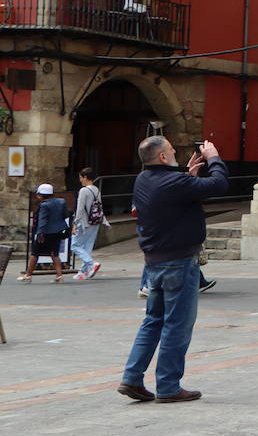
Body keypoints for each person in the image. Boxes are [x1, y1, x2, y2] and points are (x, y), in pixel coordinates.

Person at [118, 136, 227, 404]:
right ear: (164, 157)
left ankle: (132, 377)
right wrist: (213, 157)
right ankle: (168, 385)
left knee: (153, 321)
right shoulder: (175, 183)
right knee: (177, 324)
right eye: (171, 150)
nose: (175, 151)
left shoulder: (144, 179)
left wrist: (187, 175)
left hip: (154, 262)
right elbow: (220, 184)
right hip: (179, 262)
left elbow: (171, 193)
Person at [17, 183, 69, 283]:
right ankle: (59, 275)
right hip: (58, 231)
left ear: (41, 195)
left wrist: (40, 233)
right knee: (55, 253)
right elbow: (66, 215)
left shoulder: (44, 205)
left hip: (45, 233)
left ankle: (28, 275)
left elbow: (42, 220)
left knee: (35, 253)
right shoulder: (61, 202)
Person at [72, 167, 109, 280]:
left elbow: (80, 209)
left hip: (85, 222)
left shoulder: (83, 190)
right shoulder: (96, 189)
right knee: (87, 246)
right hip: (95, 221)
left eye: (80, 177)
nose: (80, 180)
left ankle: (91, 263)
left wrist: (75, 223)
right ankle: (83, 271)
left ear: (85, 177)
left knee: (74, 245)